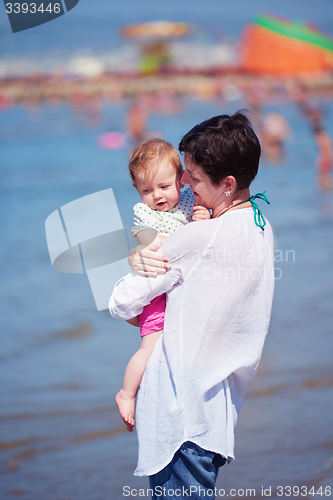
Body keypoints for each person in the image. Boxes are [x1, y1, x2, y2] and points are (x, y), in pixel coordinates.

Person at [110, 112, 275, 499]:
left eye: (193, 177)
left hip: (178, 416)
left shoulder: (197, 238)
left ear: (228, 184)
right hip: (217, 411)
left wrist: (138, 258)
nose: (184, 183)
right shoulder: (261, 225)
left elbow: (120, 301)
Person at [115, 138, 211, 432]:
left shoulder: (189, 200)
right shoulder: (143, 214)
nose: (157, 195)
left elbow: (203, 226)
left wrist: (203, 218)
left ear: (181, 180)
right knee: (150, 348)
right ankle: (127, 393)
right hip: (157, 293)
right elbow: (151, 242)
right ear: (136, 190)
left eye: (164, 186)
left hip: (182, 289)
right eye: (147, 190)